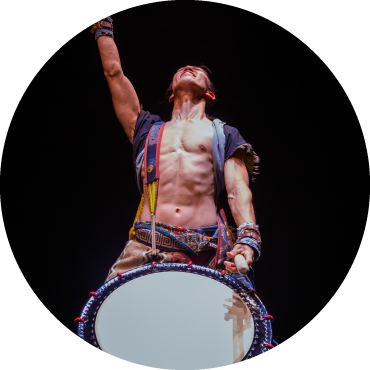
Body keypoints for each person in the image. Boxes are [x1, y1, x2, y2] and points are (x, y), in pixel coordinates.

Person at [91, 16, 261, 289]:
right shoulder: (146, 130)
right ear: (171, 93)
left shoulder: (224, 134)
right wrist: (102, 28)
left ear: (211, 93)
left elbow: (237, 190)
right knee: (103, 319)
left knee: (240, 324)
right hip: (148, 243)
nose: (189, 67)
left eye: (198, 70)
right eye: (182, 69)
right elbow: (113, 72)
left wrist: (247, 238)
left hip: (206, 249)